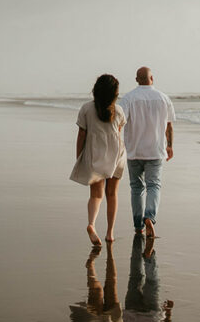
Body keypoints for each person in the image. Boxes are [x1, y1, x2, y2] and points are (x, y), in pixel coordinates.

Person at [70, 74, 126, 246]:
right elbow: (118, 132)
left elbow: (82, 135)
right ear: (114, 94)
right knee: (112, 194)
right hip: (116, 156)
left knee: (96, 194)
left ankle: (92, 224)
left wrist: (79, 156)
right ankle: (110, 233)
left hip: (95, 154)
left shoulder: (86, 109)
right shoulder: (118, 110)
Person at [119, 67, 175, 237]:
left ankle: (138, 225)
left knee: (136, 188)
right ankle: (149, 216)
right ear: (152, 78)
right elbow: (169, 125)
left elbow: (119, 122)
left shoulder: (128, 98)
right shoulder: (163, 98)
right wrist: (170, 146)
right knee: (154, 186)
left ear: (137, 79)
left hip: (134, 151)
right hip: (155, 151)